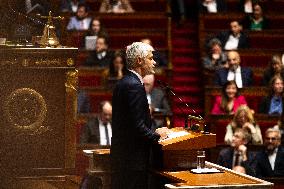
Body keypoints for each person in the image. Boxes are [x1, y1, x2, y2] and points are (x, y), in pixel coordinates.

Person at [111, 42, 169, 189]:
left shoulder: (125, 81)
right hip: (133, 160)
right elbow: (137, 127)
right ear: (139, 61)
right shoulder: (134, 86)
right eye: (150, 58)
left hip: (124, 157)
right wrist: (157, 135)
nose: (154, 61)